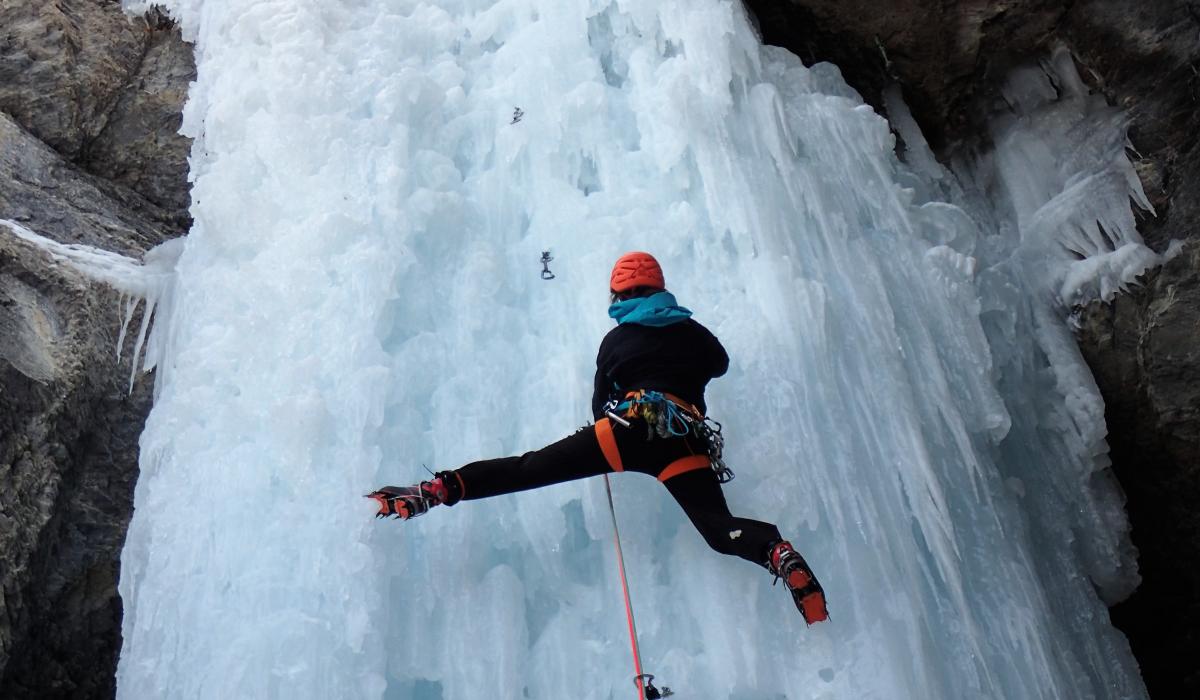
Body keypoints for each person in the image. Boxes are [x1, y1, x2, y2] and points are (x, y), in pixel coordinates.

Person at [368, 252, 828, 624]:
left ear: (619, 295)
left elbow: (598, 404)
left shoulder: (617, 340)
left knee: (528, 468)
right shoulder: (695, 334)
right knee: (717, 527)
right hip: (684, 438)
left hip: (625, 429)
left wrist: (599, 443)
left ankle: (438, 489)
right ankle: (775, 550)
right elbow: (719, 362)